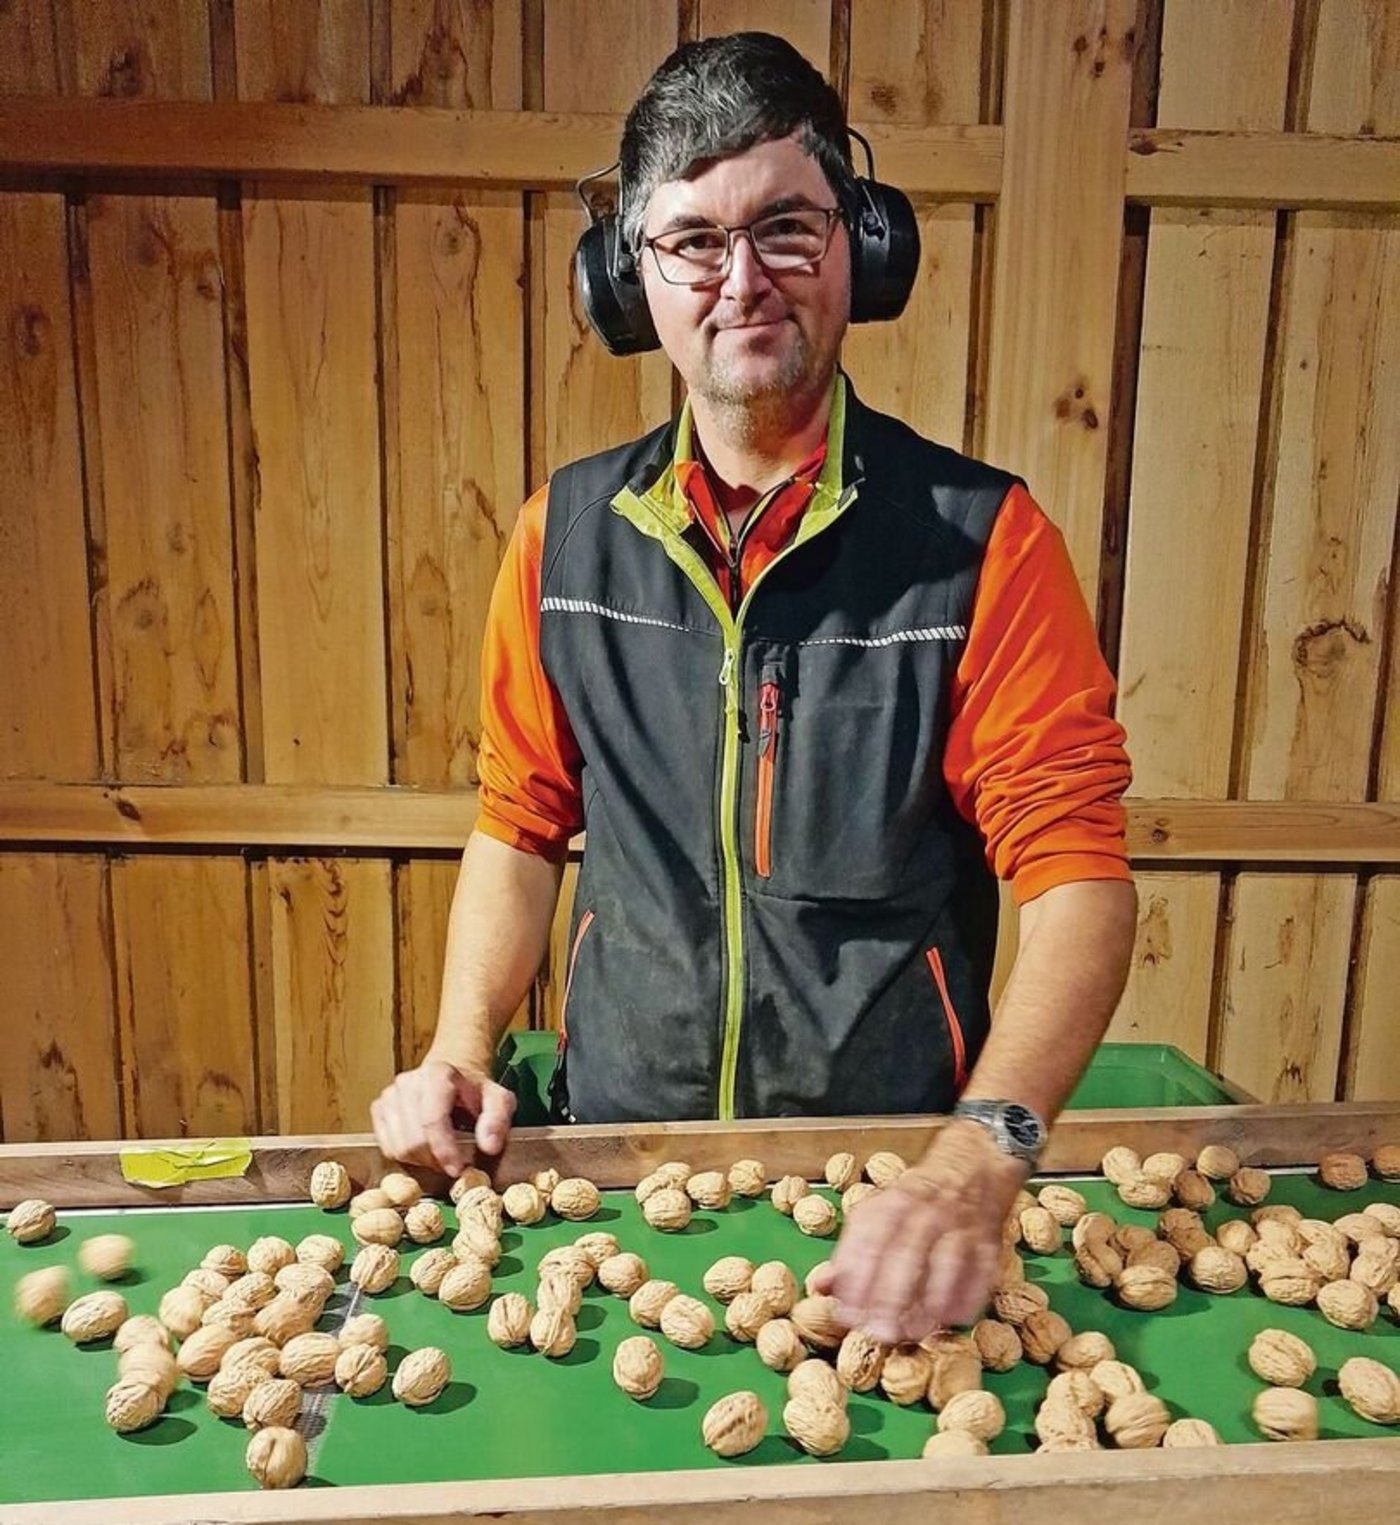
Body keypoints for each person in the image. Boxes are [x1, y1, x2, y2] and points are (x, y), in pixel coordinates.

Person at [372, 32, 1137, 1344]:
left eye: (788, 226)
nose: (744, 281)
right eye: (692, 241)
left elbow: (1080, 884)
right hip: (616, 1178)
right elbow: (520, 823)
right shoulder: (559, 542)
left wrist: (982, 1156)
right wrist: (458, 1046)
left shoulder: (985, 543)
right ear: (633, 278)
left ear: (860, 246)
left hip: (891, 1202)